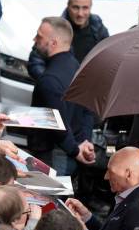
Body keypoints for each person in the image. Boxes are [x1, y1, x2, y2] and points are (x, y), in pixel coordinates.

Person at [30, 16, 95, 176]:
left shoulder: (49, 80)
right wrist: (84, 141)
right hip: (71, 151)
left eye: (39, 36)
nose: (34, 39)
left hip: (53, 156)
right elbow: (88, 110)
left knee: (48, 200)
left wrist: (75, 151)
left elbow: (57, 125)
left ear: (53, 43)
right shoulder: (78, 69)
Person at [66, 147, 139, 230]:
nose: (106, 177)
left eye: (111, 171)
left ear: (128, 174)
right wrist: (87, 217)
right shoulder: (129, 196)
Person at [28, 0, 109, 80]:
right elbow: (35, 62)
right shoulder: (56, 28)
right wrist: (52, 81)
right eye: (75, 7)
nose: (80, 14)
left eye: (85, 8)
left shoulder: (97, 27)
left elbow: (108, 56)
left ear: (90, 7)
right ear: (68, 6)